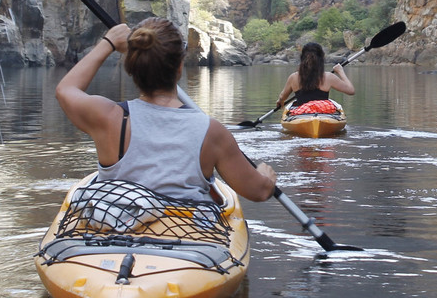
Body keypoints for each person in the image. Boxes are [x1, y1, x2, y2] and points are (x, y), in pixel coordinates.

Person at [55, 17, 276, 203]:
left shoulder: (108, 117)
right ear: (179, 67)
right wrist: (265, 176)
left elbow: (65, 89)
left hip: (118, 234)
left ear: (131, 68)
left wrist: (108, 43)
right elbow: (259, 191)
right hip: (185, 243)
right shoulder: (211, 131)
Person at [274, 41, 355, 115]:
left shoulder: (294, 77)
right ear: (321, 58)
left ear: (302, 58)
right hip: (323, 113)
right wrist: (340, 71)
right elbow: (351, 91)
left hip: (302, 114)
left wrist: (280, 101)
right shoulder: (328, 77)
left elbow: (282, 97)